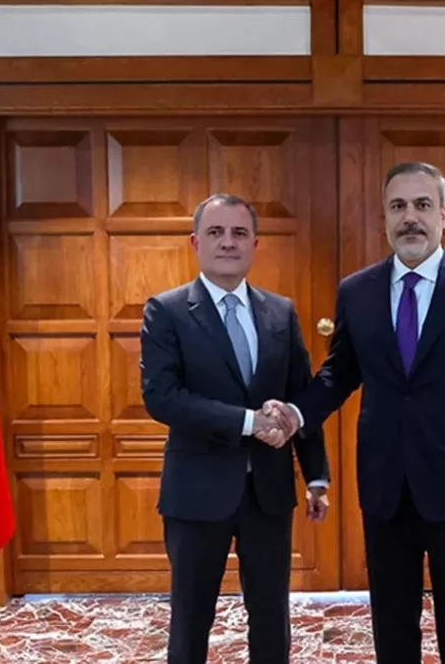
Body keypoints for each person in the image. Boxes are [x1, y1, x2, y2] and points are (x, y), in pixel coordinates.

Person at [266, 162, 445, 664]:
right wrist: (297, 413)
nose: (410, 217)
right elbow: (339, 373)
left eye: (422, 205)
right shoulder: (357, 291)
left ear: (444, 215)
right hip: (384, 482)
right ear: (385, 218)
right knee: (390, 618)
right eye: (398, 206)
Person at [139, 193, 331, 664]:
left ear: (254, 244)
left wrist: (317, 476)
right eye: (216, 232)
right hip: (196, 493)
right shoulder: (166, 311)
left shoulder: (280, 312)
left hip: (269, 492)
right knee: (191, 619)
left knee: (270, 617)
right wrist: (248, 422)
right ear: (196, 243)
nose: (228, 242)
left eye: (239, 233)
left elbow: (299, 397)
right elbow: (162, 398)